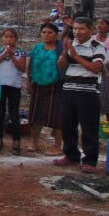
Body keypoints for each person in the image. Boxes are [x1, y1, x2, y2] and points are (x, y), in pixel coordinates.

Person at [54, 17, 105, 174]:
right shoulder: (71, 44)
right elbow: (61, 66)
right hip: (69, 89)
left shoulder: (97, 46)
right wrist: (65, 52)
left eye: (81, 28)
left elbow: (96, 68)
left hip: (88, 92)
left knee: (89, 127)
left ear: (90, 30)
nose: (77, 32)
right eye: (75, 28)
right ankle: (71, 155)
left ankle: (90, 160)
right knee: (68, 124)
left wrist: (76, 56)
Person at [26, 23, 64, 155]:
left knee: (57, 116)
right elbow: (30, 65)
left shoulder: (61, 49)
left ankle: (57, 145)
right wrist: (28, 80)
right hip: (38, 85)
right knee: (35, 115)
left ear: (56, 35)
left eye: (50, 32)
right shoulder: (37, 48)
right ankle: (34, 142)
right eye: (44, 32)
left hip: (55, 86)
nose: (46, 35)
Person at [0, 29, 27, 155]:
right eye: (6, 37)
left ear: (16, 39)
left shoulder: (20, 52)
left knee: (14, 114)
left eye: (11, 37)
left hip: (14, 86)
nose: (8, 39)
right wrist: (2, 56)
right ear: (2, 38)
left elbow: (22, 68)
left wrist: (12, 56)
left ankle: (16, 142)